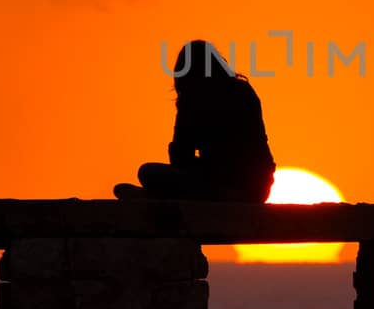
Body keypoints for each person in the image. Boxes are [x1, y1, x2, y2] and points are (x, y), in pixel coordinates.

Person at [116, 40, 276, 203]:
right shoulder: (242, 90)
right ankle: (162, 196)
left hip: (224, 183)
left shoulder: (193, 100)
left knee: (147, 172)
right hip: (259, 188)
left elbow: (180, 157)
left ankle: (156, 197)